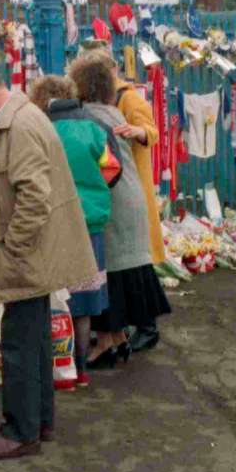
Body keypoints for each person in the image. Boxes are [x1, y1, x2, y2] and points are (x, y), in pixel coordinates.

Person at [0, 65, 97, 460]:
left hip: (26, 255)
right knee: (35, 341)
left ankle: (21, 431)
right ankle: (40, 422)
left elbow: (34, 197)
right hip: (34, 254)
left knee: (20, 344)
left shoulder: (17, 127)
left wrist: (11, 248)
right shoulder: (26, 117)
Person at [69, 52, 171, 367]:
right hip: (129, 195)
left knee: (111, 271)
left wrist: (139, 132)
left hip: (115, 198)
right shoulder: (112, 110)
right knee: (127, 269)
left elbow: (150, 131)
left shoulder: (95, 113)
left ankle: (114, 340)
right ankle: (119, 338)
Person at [30, 75, 118, 389]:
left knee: (56, 298)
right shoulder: (93, 127)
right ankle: (81, 371)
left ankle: (58, 369)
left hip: (53, 221)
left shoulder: (40, 129)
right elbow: (112, 167)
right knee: (85, 301)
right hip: (90, 222)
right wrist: (94, 192)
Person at [110, 61, 166, 268]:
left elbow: (151, 132)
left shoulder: (128, 97)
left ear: (114, 70)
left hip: (130, 175)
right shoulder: (88, 96)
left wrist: (138, 131)